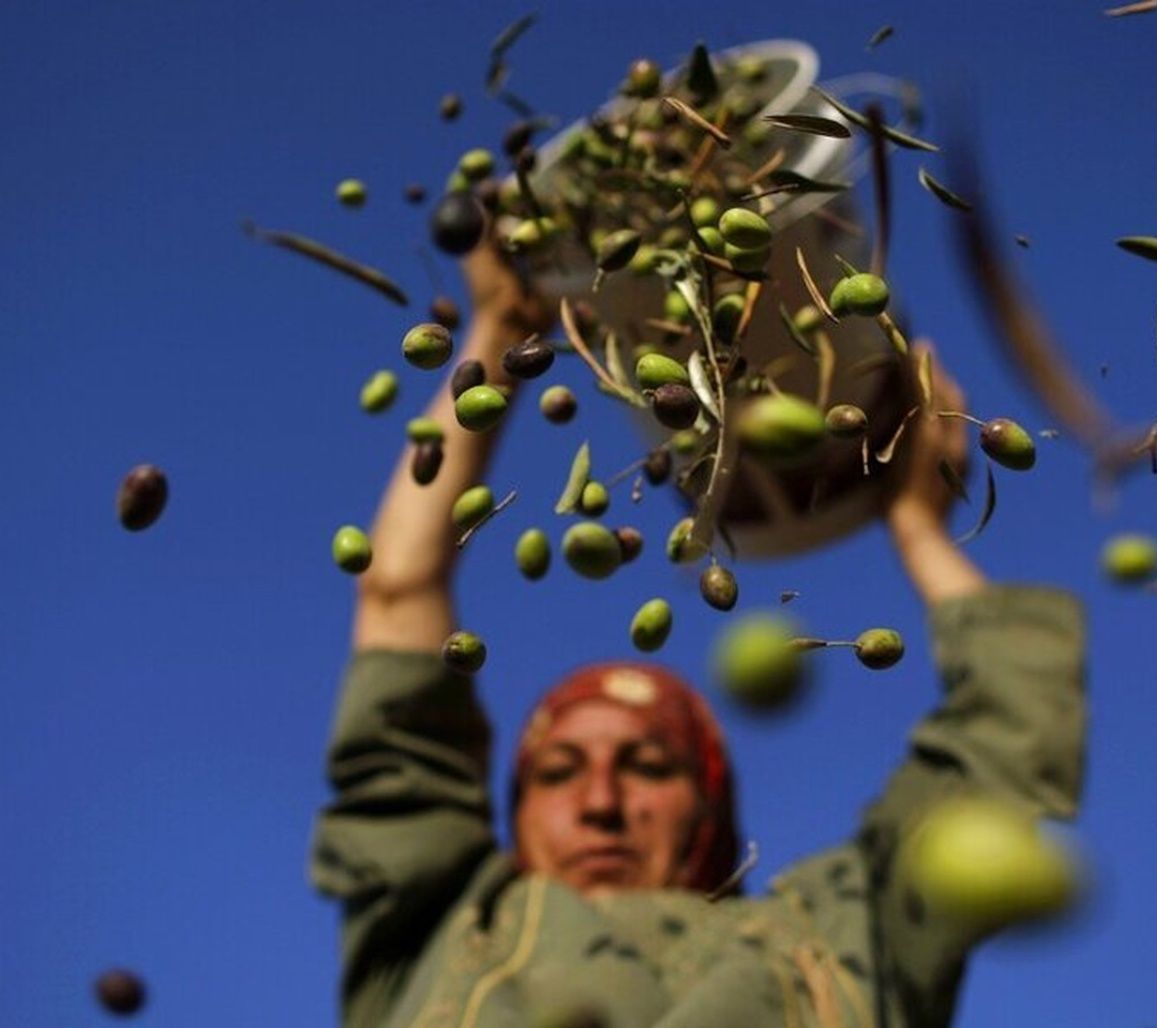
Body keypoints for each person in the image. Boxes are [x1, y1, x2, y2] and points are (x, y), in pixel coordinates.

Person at [309, 240, 1087, 1028]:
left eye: (648, 765)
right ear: (515, 805)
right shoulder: (445, 921)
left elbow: (1002, 752)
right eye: (559, 772)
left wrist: (920, 529)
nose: (602, 804)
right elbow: (396, 596)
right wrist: (501, 332)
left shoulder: (838, 934)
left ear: (711, 799)